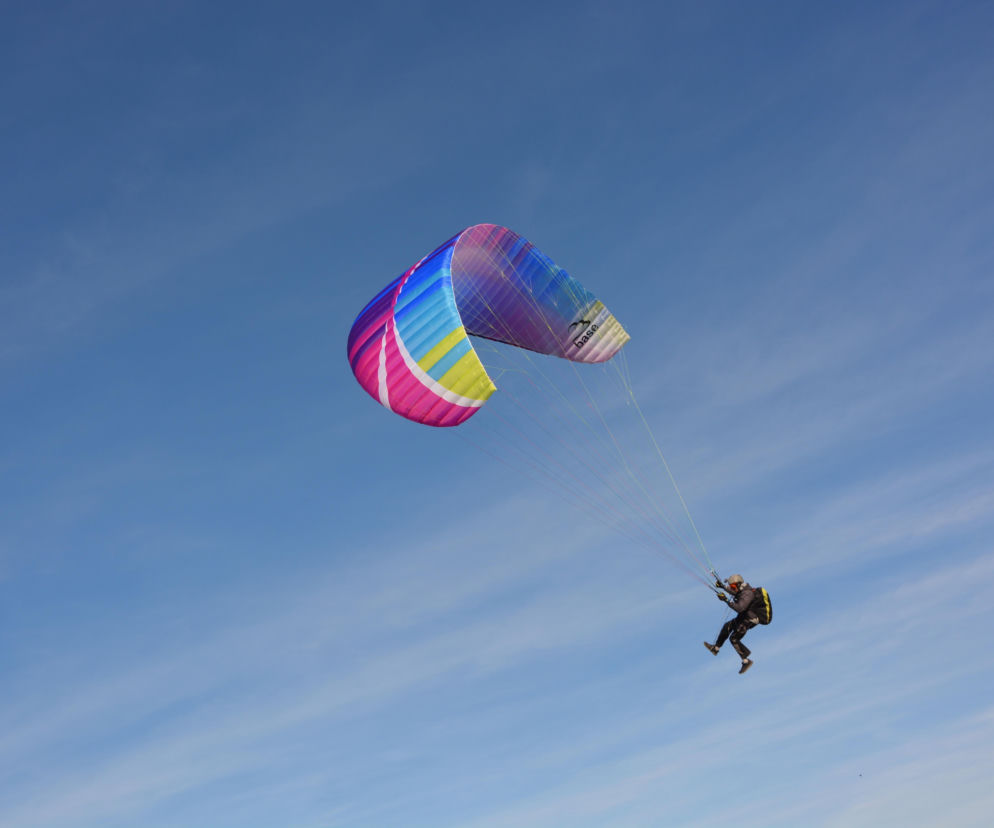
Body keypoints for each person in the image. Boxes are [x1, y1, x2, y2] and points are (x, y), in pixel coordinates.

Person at [703, 574, 762, 674]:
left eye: (733, 586)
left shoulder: (748, 593)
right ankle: (716, 648)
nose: (732, 588)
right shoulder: (741, 590)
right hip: (746, 616)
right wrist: (722, 586)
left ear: (739, 585)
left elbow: (740, 608)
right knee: (727, 626)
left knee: (734, 638)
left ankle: (746, 661)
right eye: (731, 586)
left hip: (751, 619)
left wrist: (726, 600)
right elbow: (735, 594)